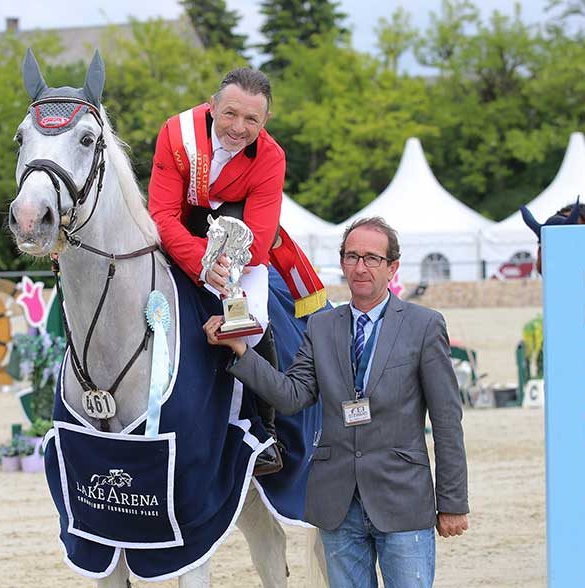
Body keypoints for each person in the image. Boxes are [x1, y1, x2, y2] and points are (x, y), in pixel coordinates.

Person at [203, 217, 469, 588]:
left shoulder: (424, 326)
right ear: (342, 262)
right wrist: (240, 350)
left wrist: (453, 502)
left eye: (372, 258)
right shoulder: (322, 325)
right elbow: (291, 396)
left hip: (402, 501)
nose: (361, 267)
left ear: (392, 267)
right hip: (338, 507)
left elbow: (446, 421)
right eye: (352, 256)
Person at [148, 67, 326, 475]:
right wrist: (200, 263)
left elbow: (260, 240)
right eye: (230, 114)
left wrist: (223, 269)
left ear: (264, 123)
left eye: (252, 120)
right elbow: (160, 213)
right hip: (180, 235)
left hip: (240, 246)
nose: (238, 127)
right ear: (211, 107)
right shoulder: (176, 135)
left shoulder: (271, 156)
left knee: (255, 322)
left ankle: (265, 432)